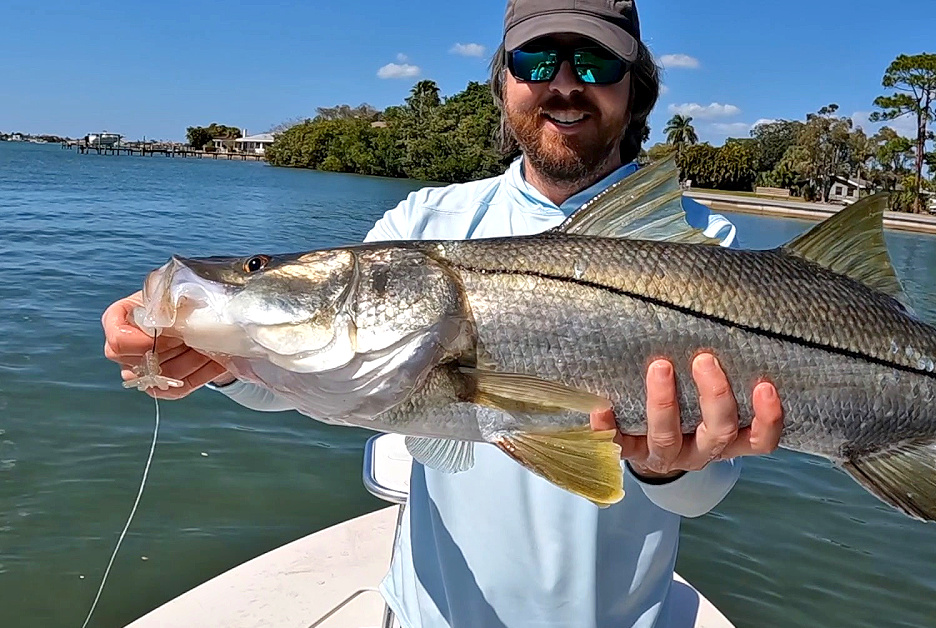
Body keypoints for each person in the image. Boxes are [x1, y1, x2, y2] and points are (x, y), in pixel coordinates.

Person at [101, 1, 785, 626]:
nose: (564, 84)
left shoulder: (703, 247)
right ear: (504, 82)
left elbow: (700, 496)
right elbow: (320, 374)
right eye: (535, 60)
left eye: (596, 62)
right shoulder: (426, 221)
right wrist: (219, 358)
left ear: (636, 87)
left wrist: (667, 467)